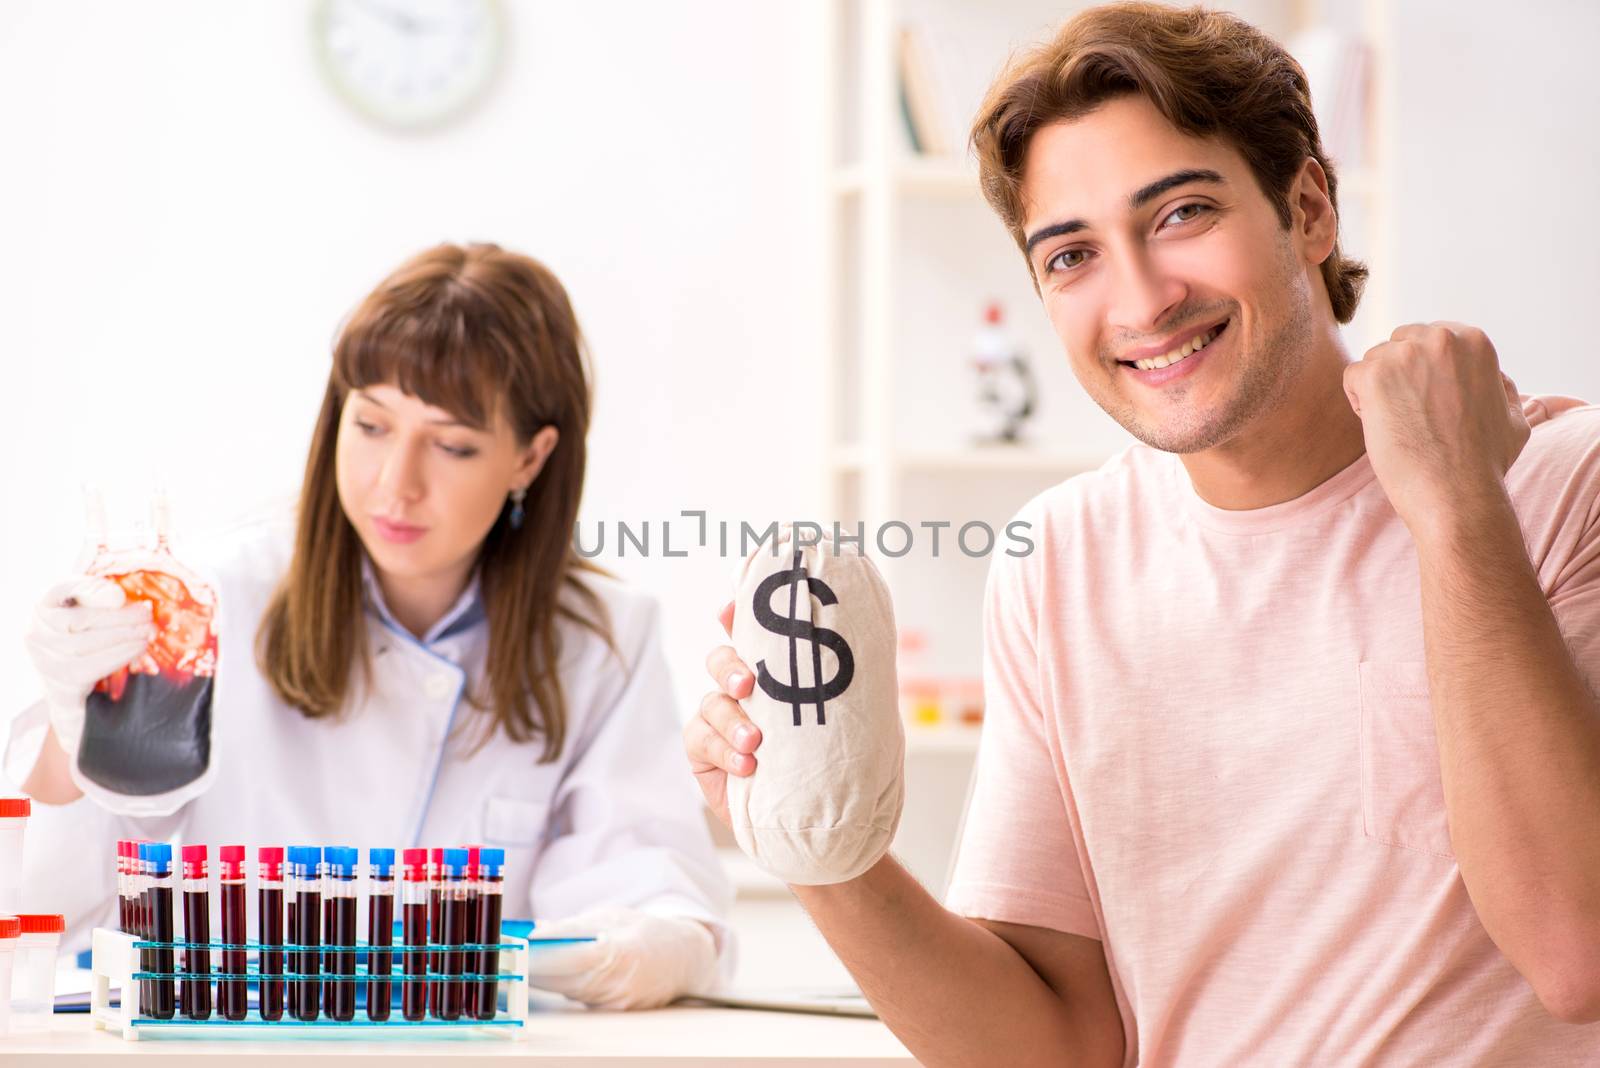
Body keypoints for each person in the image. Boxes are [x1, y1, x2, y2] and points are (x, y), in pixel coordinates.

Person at [685, 3, 1600, 1064]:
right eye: (1071, 255)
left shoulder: (1556, 485)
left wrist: (1453, 511)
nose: (1141, 300)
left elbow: (1576, 951)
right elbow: (1059, 1045)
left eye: (1179, 216)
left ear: (1307, 208)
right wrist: (814, 844)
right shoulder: (1061, 557)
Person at [8, 241, 731, 1010]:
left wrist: (656, 946)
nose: (396, 484)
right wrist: (68, 738)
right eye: (373, 425)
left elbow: (650, 891)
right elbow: (53, 906)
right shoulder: (206, 603)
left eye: (452, 444)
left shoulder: (599, 644)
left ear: (530, 457)